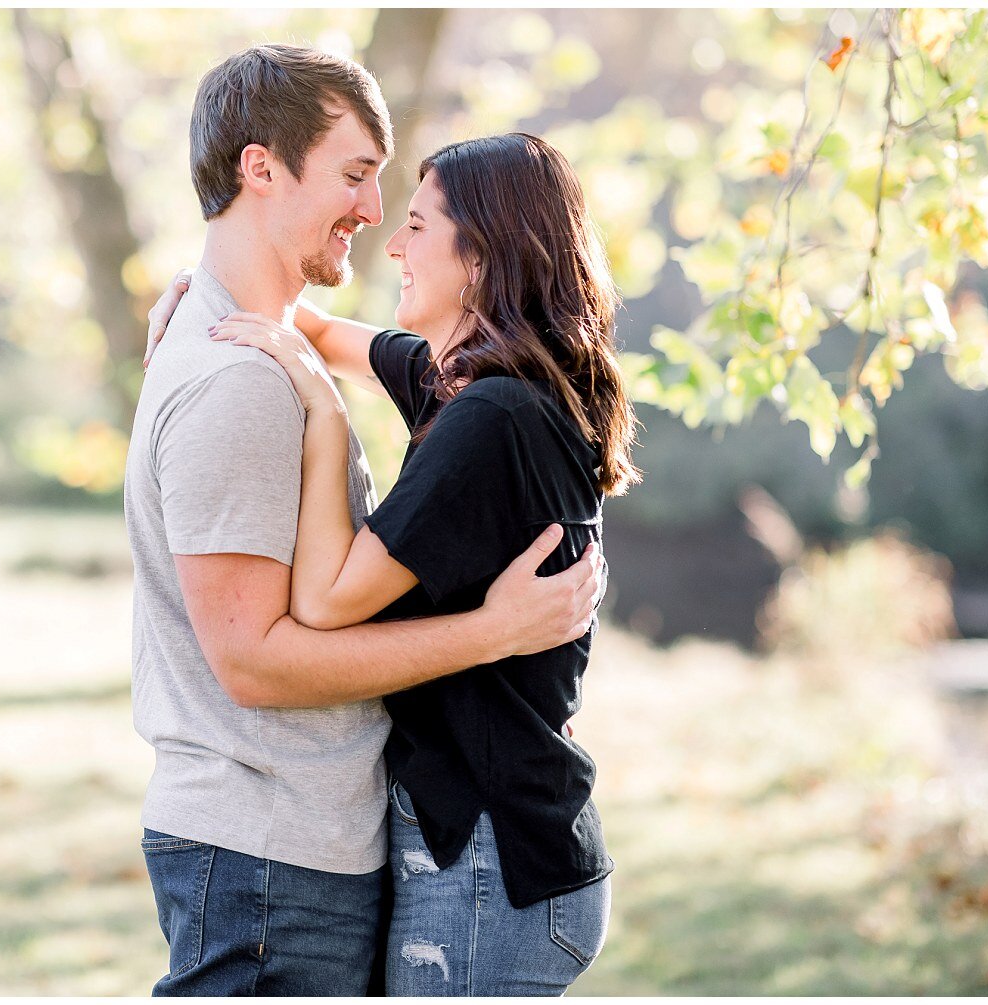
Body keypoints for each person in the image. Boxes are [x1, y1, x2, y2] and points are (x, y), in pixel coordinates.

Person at [125, 47, 605, 997]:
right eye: (357, 177)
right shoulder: (437, 377)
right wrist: (200, 291)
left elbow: (329, 601)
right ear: (260, 168)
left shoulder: (491, 410)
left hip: (482, 849)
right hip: (304, 844)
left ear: (487, 258)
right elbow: (256, 654)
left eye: (413, 217)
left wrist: (324, 414)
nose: (383, 227)